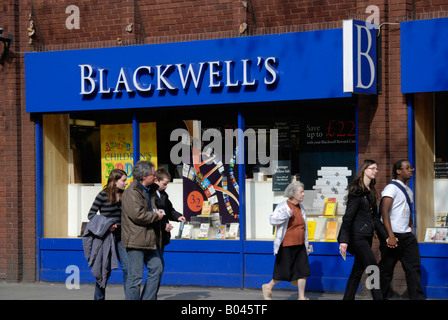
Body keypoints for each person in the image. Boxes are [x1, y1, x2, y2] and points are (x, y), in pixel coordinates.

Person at [337, 159, 389, 300]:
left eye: (376, 169)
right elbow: (348, 217)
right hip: (357, 236)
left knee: (357, 271)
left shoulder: (370, 192)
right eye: (372, 168)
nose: (375, 171)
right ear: (364, 170)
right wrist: (344, 241)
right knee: (373, 268)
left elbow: (375, 219)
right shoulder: (356, 191)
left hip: (366, 236)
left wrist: (387, 237)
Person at [378, 159, 425, 300]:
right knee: (386, 271)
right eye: (407, 168)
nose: (411, 170)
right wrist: (390, 235)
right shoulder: (391, 188)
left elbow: (407, 212)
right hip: (394, 235)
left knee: (413, 269)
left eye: (411, 168)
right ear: (398, 171)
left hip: (407, 236)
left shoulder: (407, 190)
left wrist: (411, 230)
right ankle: (380, 297)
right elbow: (384, 212)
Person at [121, 160, 165, 300]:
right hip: (135, 240)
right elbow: (137, 215)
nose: (155, 177)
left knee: (157, 267)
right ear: (144, 176)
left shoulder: (150, 190)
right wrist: (155, 216)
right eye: (153, 174)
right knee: (135, 278)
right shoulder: (132, 192)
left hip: (149, 239)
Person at [262, 181, 311, 300]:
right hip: (287, 244)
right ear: (293, 194)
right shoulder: (283, 206)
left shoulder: (301, 207)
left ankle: (301, 297)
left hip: (300, 245)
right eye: (301, 192)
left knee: (302, 272)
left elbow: (303, 227)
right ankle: (268, 287)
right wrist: (286, 215)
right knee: (283, 272)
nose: (303, 194)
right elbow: (272, 220)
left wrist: (307, 243)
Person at [87, 168, 129, 300]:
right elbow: (91, 215)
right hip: (107, 238)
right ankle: (99, 298)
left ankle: (130, 297)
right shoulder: (102, 195)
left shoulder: (125, 195)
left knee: (128, 269)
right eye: (123, 180)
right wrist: (107, 224)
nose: (125, 183)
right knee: (104, 270)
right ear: (115, 181)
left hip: (122, 237)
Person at [153, 168, 186, 251]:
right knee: (157, 262)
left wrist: (178, 216)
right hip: (154, 234)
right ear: (156, 180)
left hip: (162, 235)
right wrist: (164, 225)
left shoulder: (163, 194)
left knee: (160, 260)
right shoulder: (150, 195)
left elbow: (169, 209)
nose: (166, 186)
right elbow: (150, 214)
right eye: (164, 184)